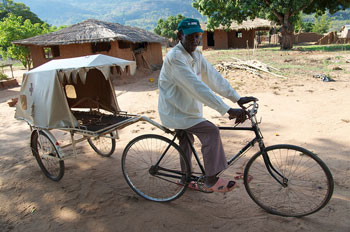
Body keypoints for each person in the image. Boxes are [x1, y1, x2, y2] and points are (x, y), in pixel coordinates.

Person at [158, 18, 257, 193]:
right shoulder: (175, 58)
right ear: (180, 36)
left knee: (186, 142)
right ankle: (211, 178)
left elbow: (213, 78)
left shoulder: (196, 56)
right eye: (191, 36)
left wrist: (237, 98)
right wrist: (226, 109)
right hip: (176, 111)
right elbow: (197, 88)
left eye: (198, 36)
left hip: (187, 109)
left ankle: (184, 178)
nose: (195, 40)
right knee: (211, 131)